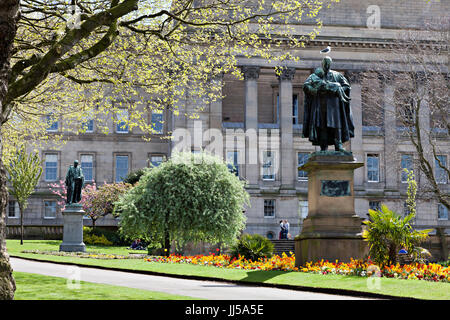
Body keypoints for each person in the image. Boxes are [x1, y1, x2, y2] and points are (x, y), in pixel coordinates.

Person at [302, 56, 354, 152]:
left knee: (336, 124)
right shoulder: (315, 76)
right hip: (320, 104)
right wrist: (316, 90)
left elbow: (346, 87)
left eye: (328, 63)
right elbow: (306, 86)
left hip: (334, 105)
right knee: (322, 125)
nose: (326, 65)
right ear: (322, 64)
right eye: (325, 63)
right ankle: (323, 146)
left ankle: (338, 144)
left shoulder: (337, 75)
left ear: (330, 64)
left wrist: (338, 88)